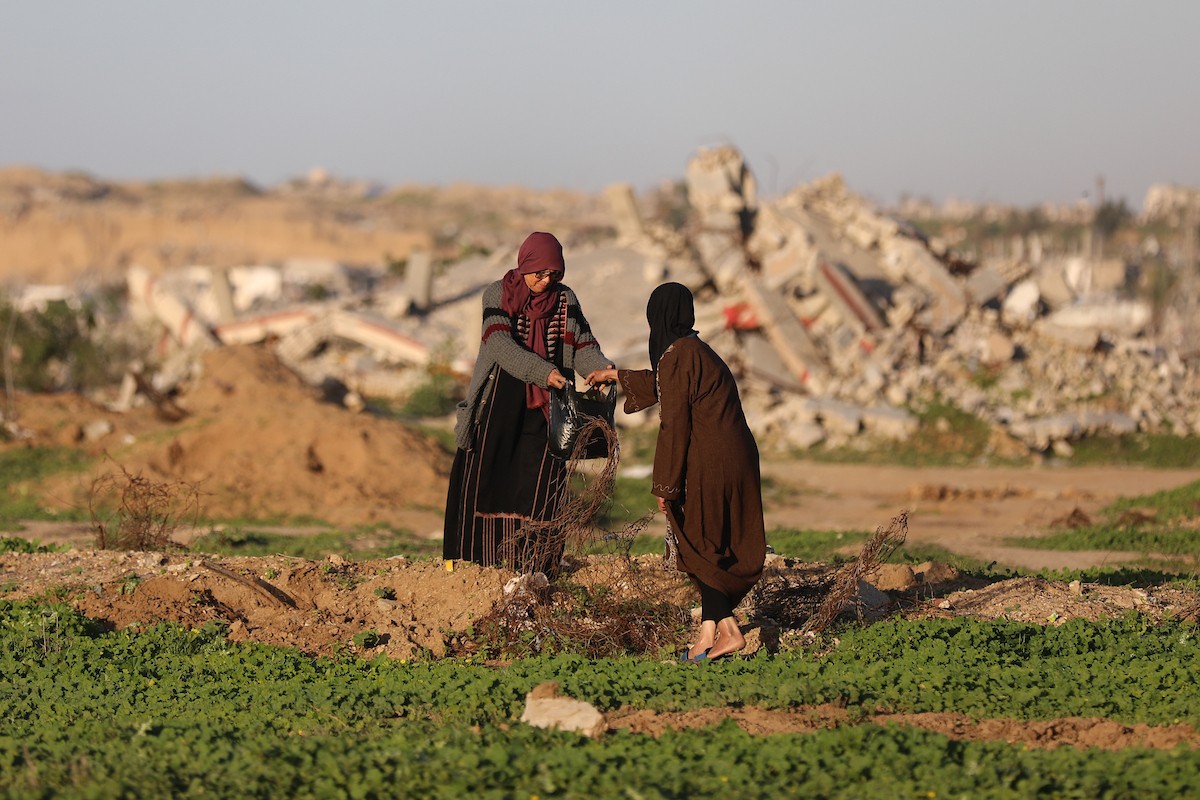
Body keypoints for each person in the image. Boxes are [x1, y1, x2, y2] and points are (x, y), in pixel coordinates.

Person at [587, 282, 765, 661]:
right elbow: (663, 385)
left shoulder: (677, 356)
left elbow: (674, 425)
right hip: (735, 457)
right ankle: (712, 634)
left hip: (710, 461)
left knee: (697, 541)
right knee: (707, 541)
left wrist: (664, 485)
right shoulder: (694, 350)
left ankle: (726, 631)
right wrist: (615, 376)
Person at [443, 231, 613, 575]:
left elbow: (583, 344)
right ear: (524, 265)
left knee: (540, 485)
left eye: (553, 274)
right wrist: (543, 372)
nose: (546, 280)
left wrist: (599, 368)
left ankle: (536, 564)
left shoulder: (565, 299)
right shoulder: (498, 293)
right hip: (499, 403)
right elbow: (500, 345)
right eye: (540, 273)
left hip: (546, 409)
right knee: (488, 480)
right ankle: (475, 565)